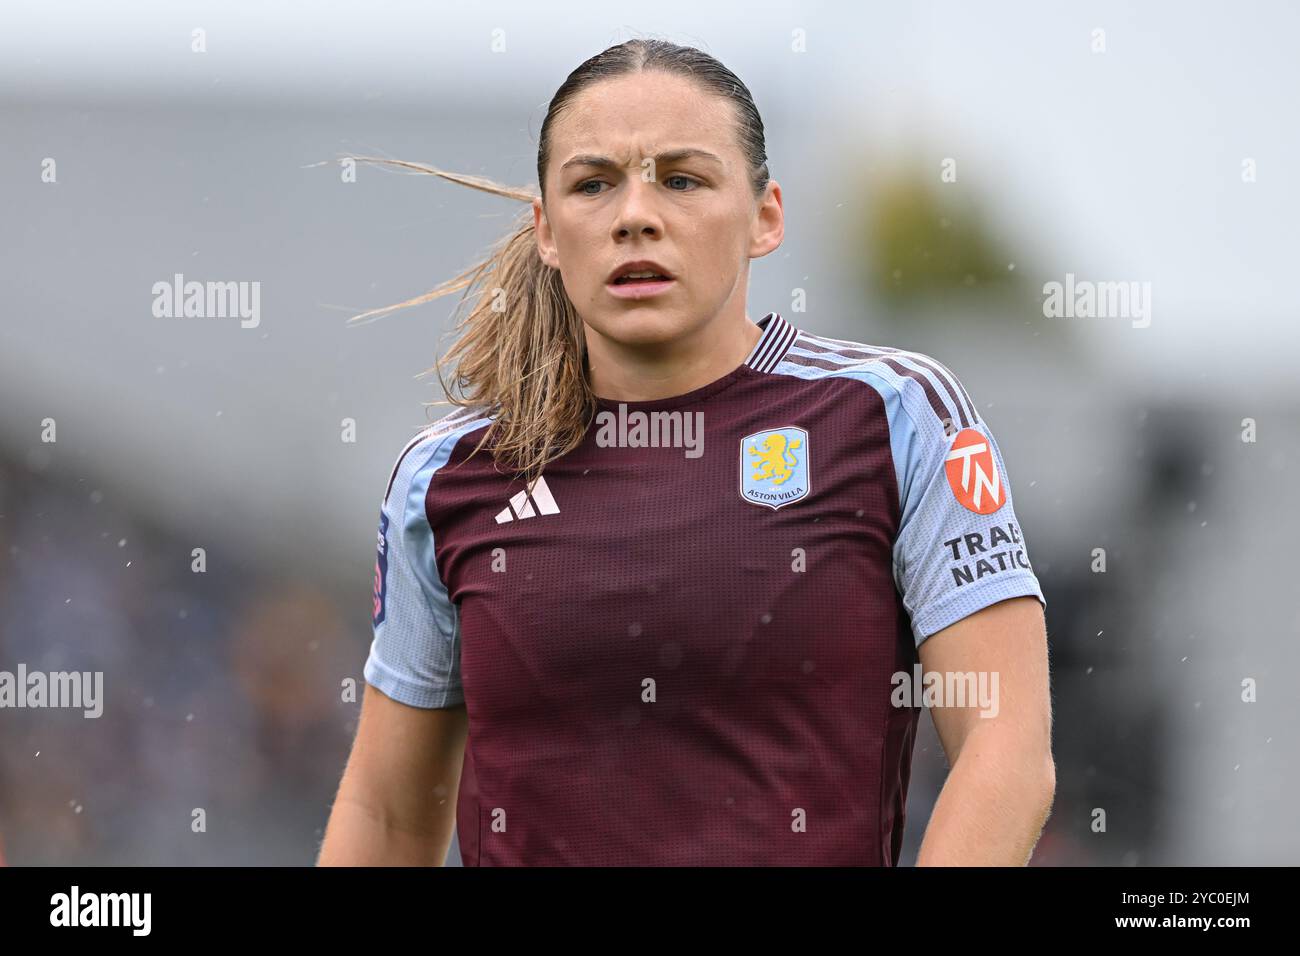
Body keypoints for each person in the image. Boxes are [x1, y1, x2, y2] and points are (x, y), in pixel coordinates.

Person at [318, 38, 1053, 867]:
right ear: (548, 230)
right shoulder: (449, 474)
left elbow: (1005, 749)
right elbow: (386, 813)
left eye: (682, 178)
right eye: (593, 184)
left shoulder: (893, 415)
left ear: (766, 217)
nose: (635, 213)